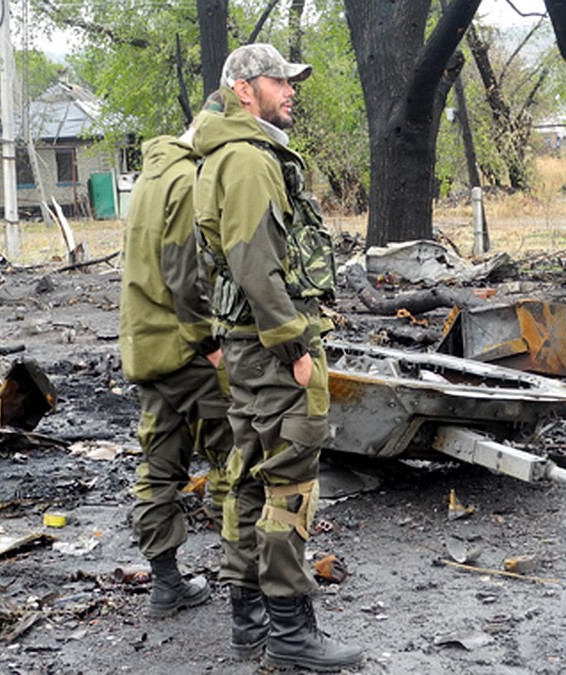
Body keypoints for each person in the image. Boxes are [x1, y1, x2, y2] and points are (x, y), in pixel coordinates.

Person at [193, 43, 362, 670]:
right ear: (244, 89)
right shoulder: (248, 160)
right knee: (288, 486)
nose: (290, 90)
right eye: (279, 81)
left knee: (246, 479)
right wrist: (293, 343)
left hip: (245, 346)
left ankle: (251, 621)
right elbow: (255, 264)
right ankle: (292, 631)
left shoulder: (224, 153)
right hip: (272, 349)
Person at [119, 104, 232, 619]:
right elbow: (185, 272)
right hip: (186, 347)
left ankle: (166, 585)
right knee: (235, 456)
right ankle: (246, 586)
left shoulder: (152, 174)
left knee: (159, 464)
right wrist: (210, 342)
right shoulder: (189, 179)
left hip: (147, 344)